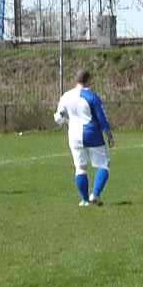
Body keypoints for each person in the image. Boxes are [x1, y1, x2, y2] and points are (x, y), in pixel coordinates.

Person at [54, 69, 114, 207]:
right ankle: (95, 195)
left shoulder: (66, 96)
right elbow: (102, 118)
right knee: (104, 164)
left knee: (80, 168)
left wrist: (65, 118)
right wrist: (109, 135)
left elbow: (58, 118)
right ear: (89, 80)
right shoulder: (91, 96)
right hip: (92, 133)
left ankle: (85, 200)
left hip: (74, 135)